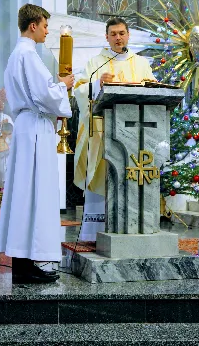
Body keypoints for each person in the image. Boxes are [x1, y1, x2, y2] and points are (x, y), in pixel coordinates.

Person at [0, 3, 74, 284]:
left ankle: (25, 261)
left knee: (26, 194)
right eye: (45, 26)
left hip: (28, 126)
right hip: (35, 127)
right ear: (33, 25)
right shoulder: (28, 55)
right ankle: (27, 263)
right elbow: (44, 94)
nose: (47, 31)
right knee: (35, 193)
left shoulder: (18, 55)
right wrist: (64, 84)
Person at [74, 17, 156, 241]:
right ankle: (93, 234)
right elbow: (78, 91)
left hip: (135, 135)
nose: (118, 37)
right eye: (113, 34)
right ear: (107, 37)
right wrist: (97, 83)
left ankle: (133, 227)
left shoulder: (141, 63)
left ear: (128, 35)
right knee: (100, 177)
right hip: (102, 134)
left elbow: (153, 89)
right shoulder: (96, 63)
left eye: (122, 33)